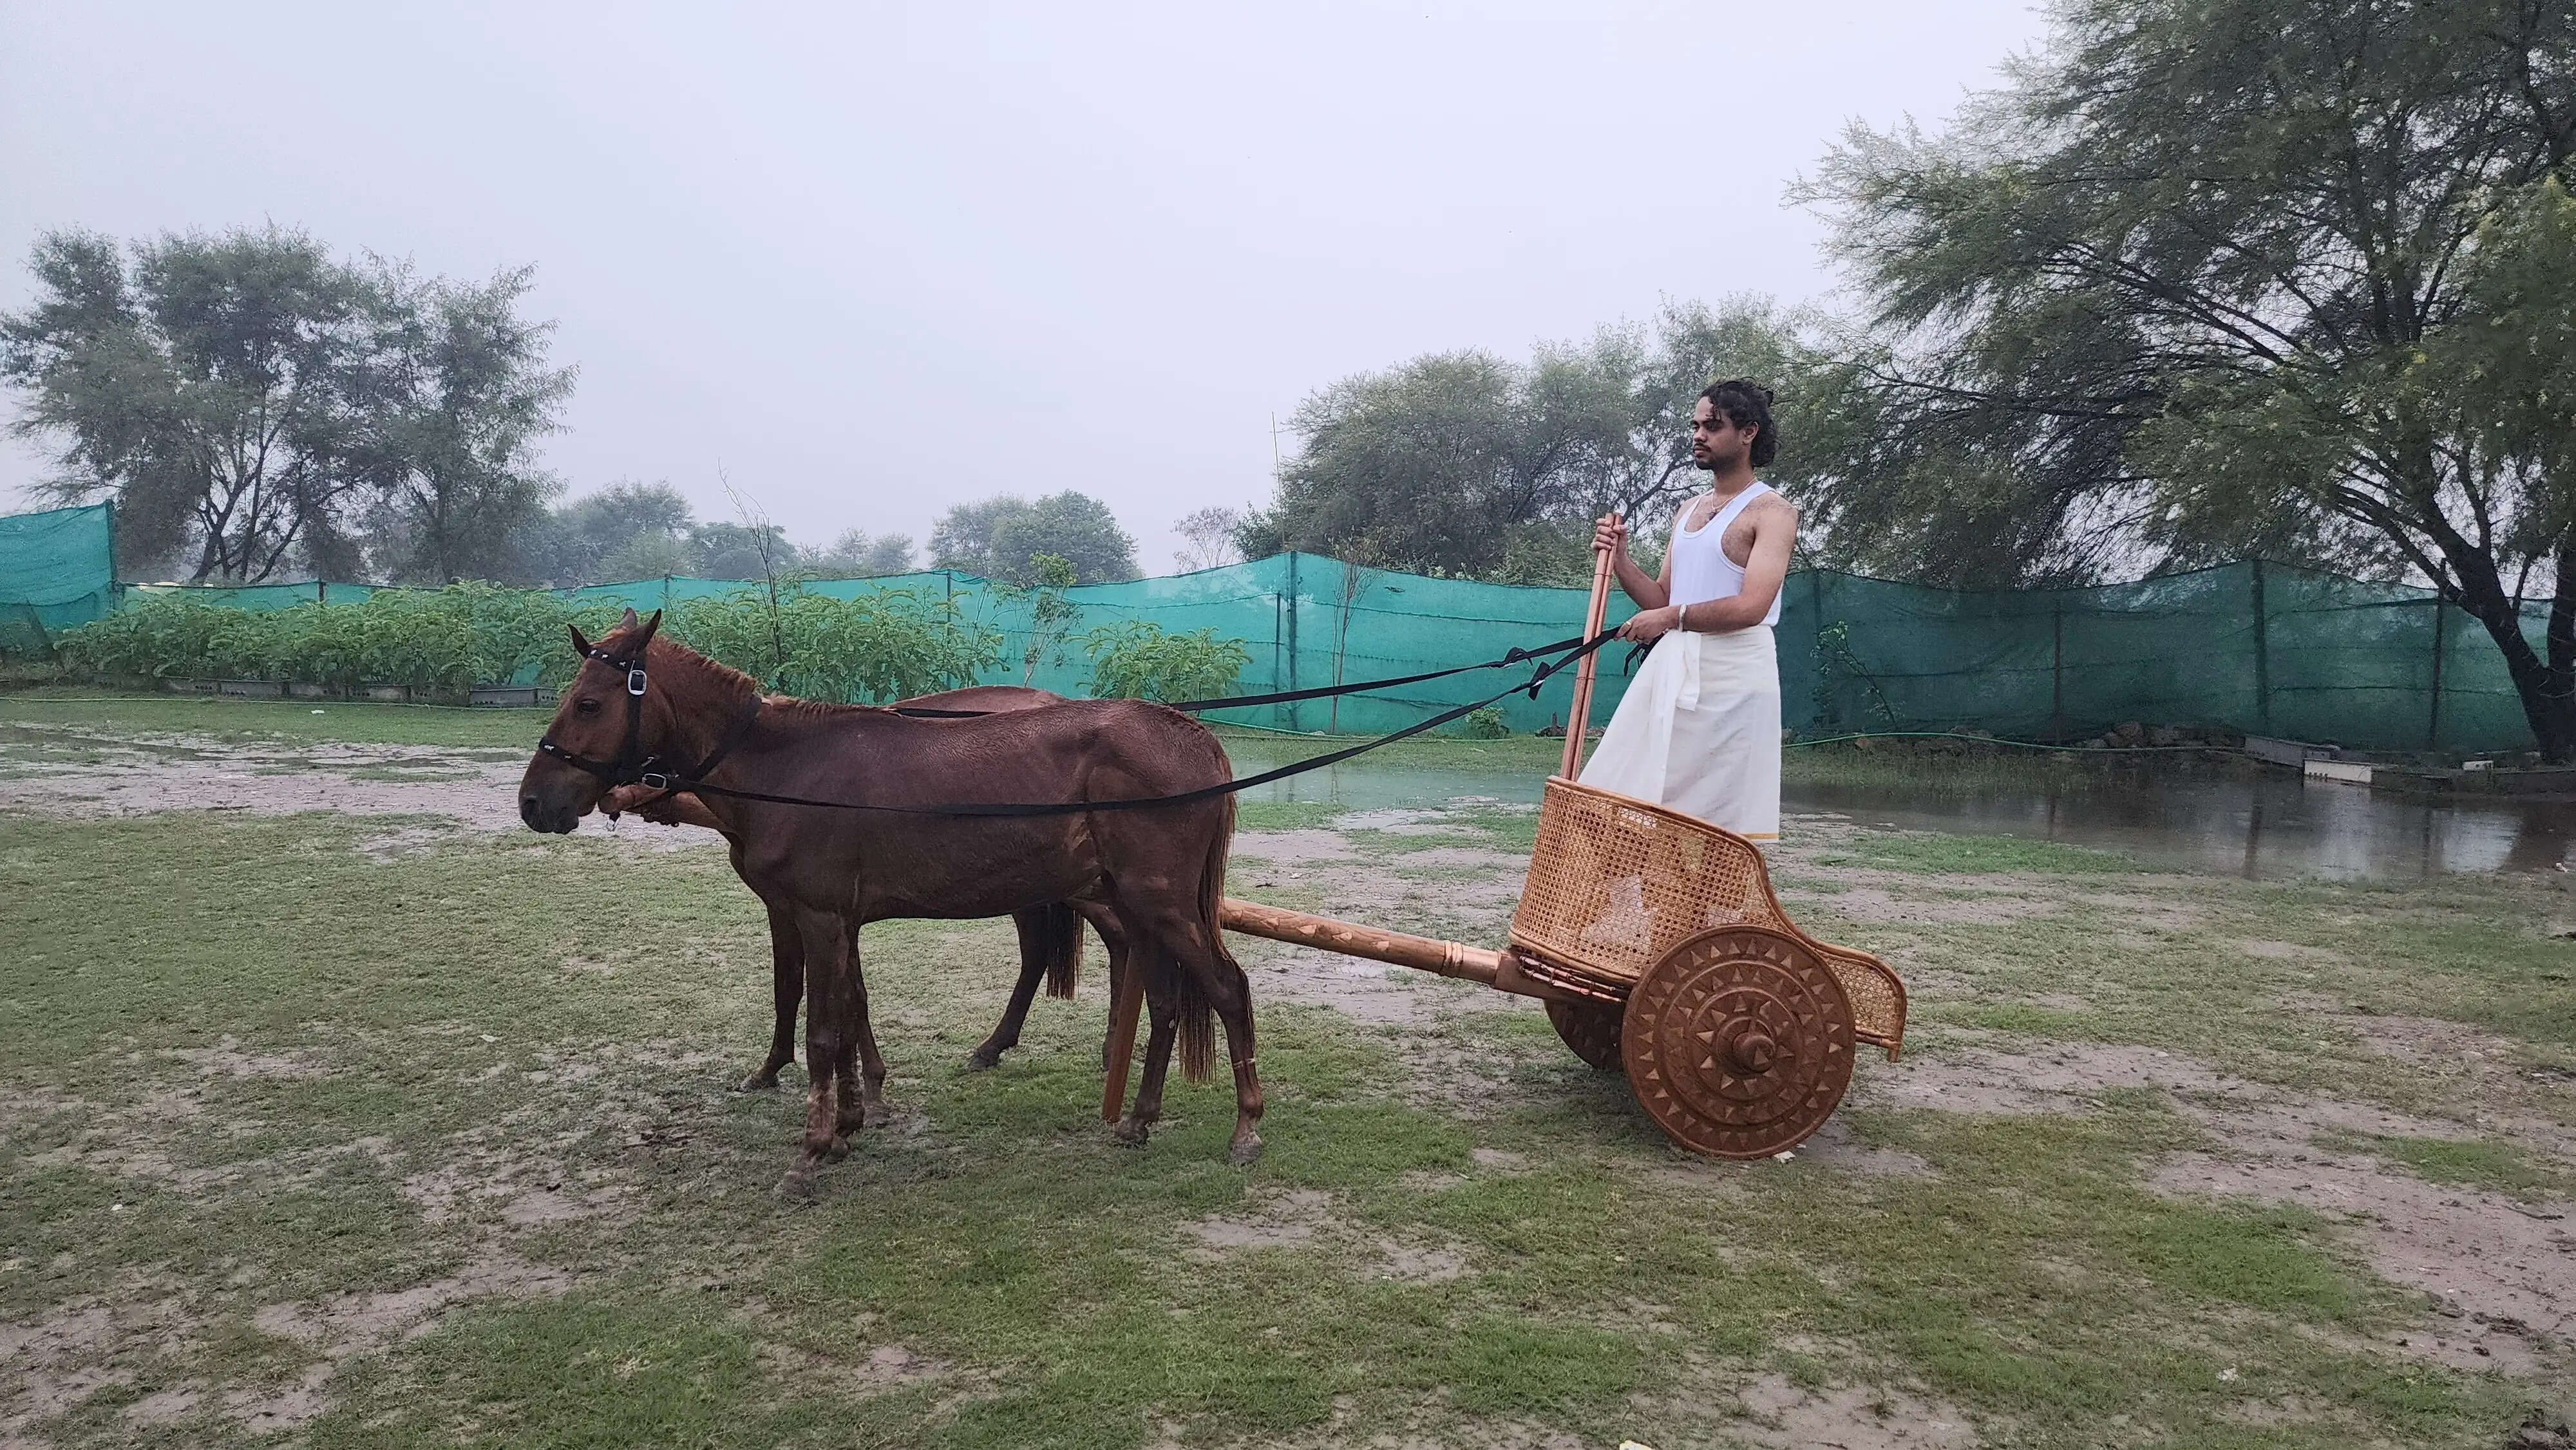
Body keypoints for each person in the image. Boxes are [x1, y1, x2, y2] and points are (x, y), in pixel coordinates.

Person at [1577, 379, 1794, 843]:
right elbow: (1661, 599)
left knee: (1714, 828)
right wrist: (1619, 560)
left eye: (1712, 426)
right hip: (1673, 671)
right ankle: (1666, 909)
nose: (1698, 435)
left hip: (1735, 679)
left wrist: (1669, 620)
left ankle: (1705, 912)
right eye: (1695, 426)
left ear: (1749, 432)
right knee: (1623, 804)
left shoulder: (1772, 511)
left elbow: (1752, 606)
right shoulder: (1688, 510)